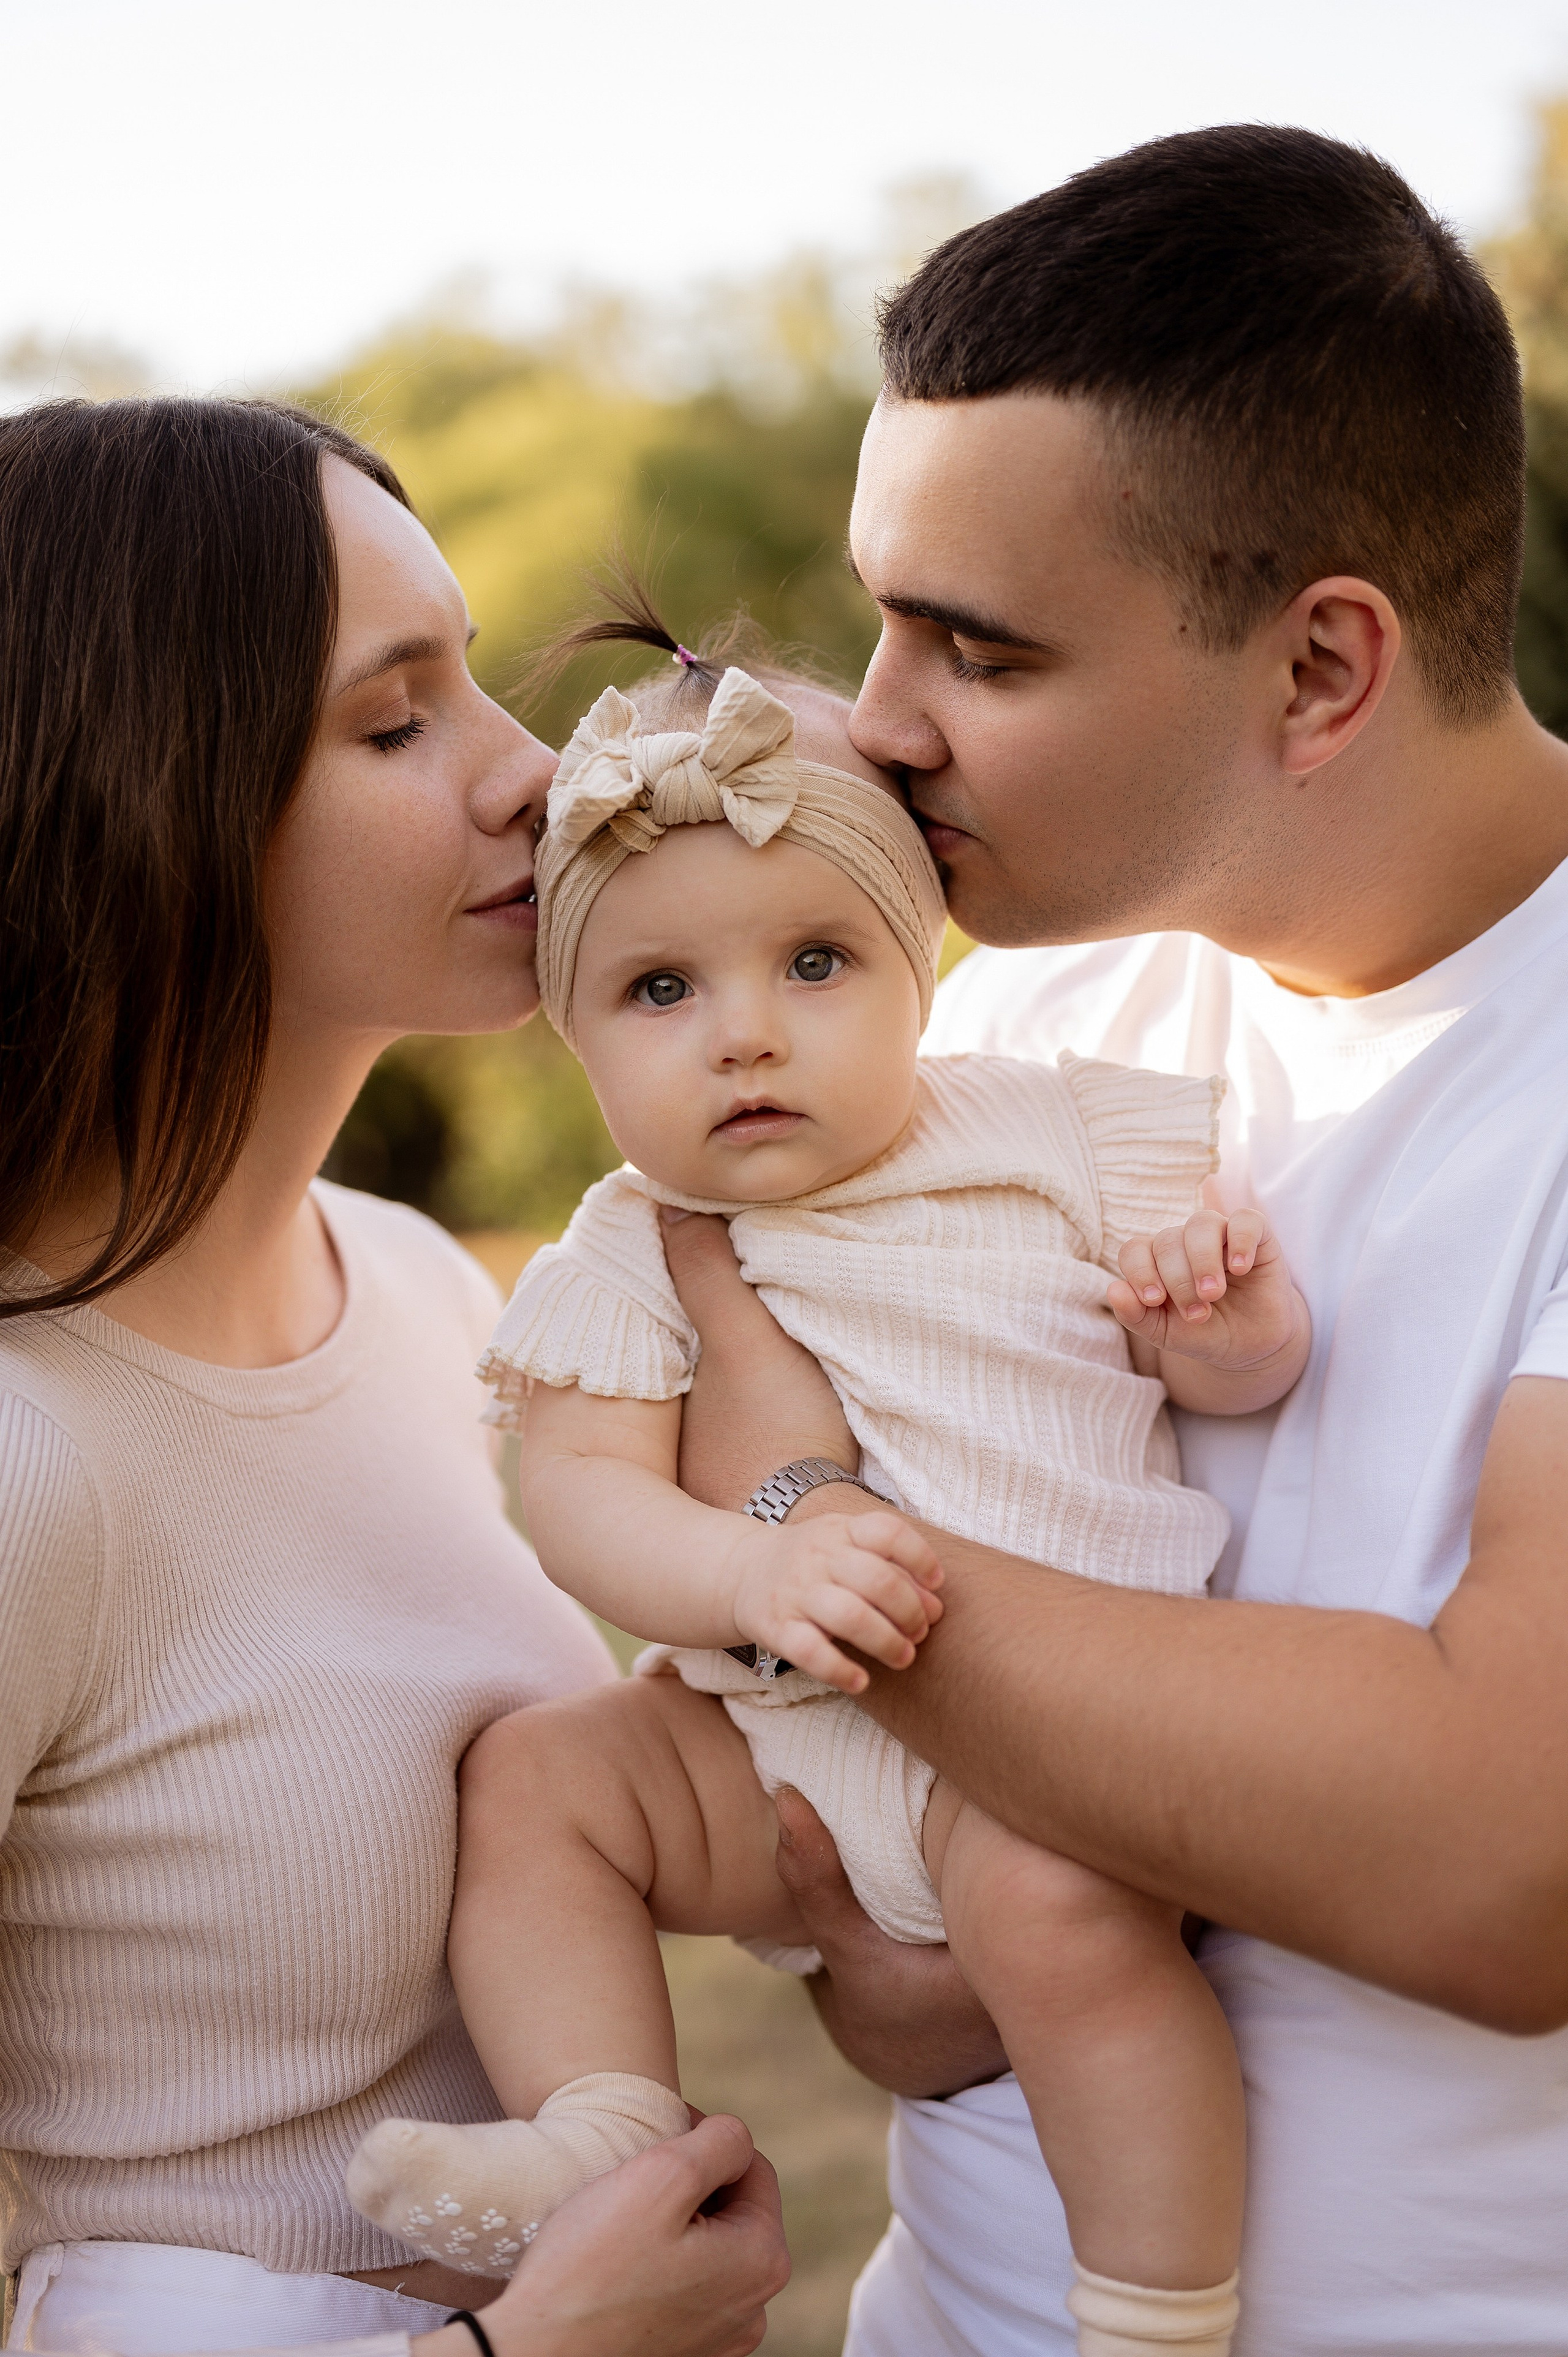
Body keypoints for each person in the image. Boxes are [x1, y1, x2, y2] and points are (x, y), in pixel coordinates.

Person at [646, 124, 1568, 2356]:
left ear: (1324, 670)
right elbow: (889, 1981)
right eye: (878, 615)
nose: (877, 721)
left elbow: (1498, 1854)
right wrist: (868, 1937)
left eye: (975, 646)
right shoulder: (1023, 1020)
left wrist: (807, 1545)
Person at [345, 627, 1311, 2356]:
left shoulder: (1056, 1134)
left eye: (813, 963)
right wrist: (743, 1573)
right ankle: (606, 2129)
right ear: (570, 1033)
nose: (746, 1040)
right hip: (776, 1735)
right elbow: (575, 1495)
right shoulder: (632, 1246)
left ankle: (1158, 2308)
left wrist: (1225, 1319)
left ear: (921, 965)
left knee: (1069, 1932)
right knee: (543, 1777)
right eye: (662, 993)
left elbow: (1235, 1378)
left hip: (1046, 1745)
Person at [0, 396, 788, 2357]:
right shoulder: (28, 1455)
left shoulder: (438, 1295)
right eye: (395, 720)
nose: (536, 777)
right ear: (144, 794)